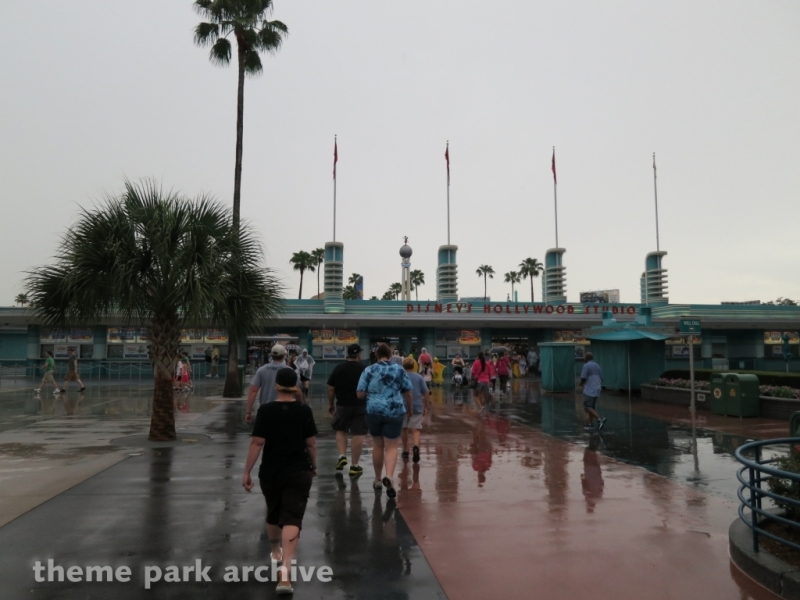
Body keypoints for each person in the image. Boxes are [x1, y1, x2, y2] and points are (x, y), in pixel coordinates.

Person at [242, 368, 317, 595]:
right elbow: (311, 444)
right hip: (298, 471)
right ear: (295, 386)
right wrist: (314, 466)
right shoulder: (304, 410)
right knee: (293, 516)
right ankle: (285, 574)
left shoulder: (265, 411)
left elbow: (257, 443)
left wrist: (247, 472)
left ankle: (275, 550)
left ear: (275, 386)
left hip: (271, 471)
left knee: (273, 511)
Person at [356, 343, 413, 499]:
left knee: (377, 445)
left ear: (376, 355)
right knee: (392, 446)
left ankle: (378, 479)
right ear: (390, 355)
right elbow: (408, 392)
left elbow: (360, 394)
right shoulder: (399, 369)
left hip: (374, 411)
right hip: (395, 411)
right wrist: (410, 409)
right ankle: (389, 475)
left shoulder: (369, 370)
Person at [327, 344, 367, 477]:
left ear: (347, 354)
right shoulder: (364, 369)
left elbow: (331, 388)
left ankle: (342, 455)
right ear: (359, 355)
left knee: (341, 430)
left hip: (342, 405)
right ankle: (355, 466)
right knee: (358, 434)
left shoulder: (339, 368)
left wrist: (331, 404)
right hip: (360, 405)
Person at [246, 344, 304, 424]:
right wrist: (301, 406)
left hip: (266, 411)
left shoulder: (261, 370)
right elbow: (297, 392)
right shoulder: (290, 370)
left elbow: (253, 391)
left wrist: (248, 412)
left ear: (271, 355)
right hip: (286, 410)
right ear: (284, 355)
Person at [401, 358, 431, 463]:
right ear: (414, 366)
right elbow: (426, 393)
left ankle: (405, 450)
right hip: (417, 406)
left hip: (402, 406)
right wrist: (426, 407)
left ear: (403, 367)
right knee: (416, 430)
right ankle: (416, 447)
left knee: (403, 429)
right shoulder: (419, 377)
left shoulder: (401, 377)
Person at [580, 352, 606, 432]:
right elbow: (601, 378)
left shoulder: (586, 366)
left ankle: (599, 419)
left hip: (589, 389)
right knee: (592, 407)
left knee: (587, 406)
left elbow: (583, 377)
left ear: (586, 358)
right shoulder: (597, 366)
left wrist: (581, 383)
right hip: (597, 388)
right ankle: (590, 424)